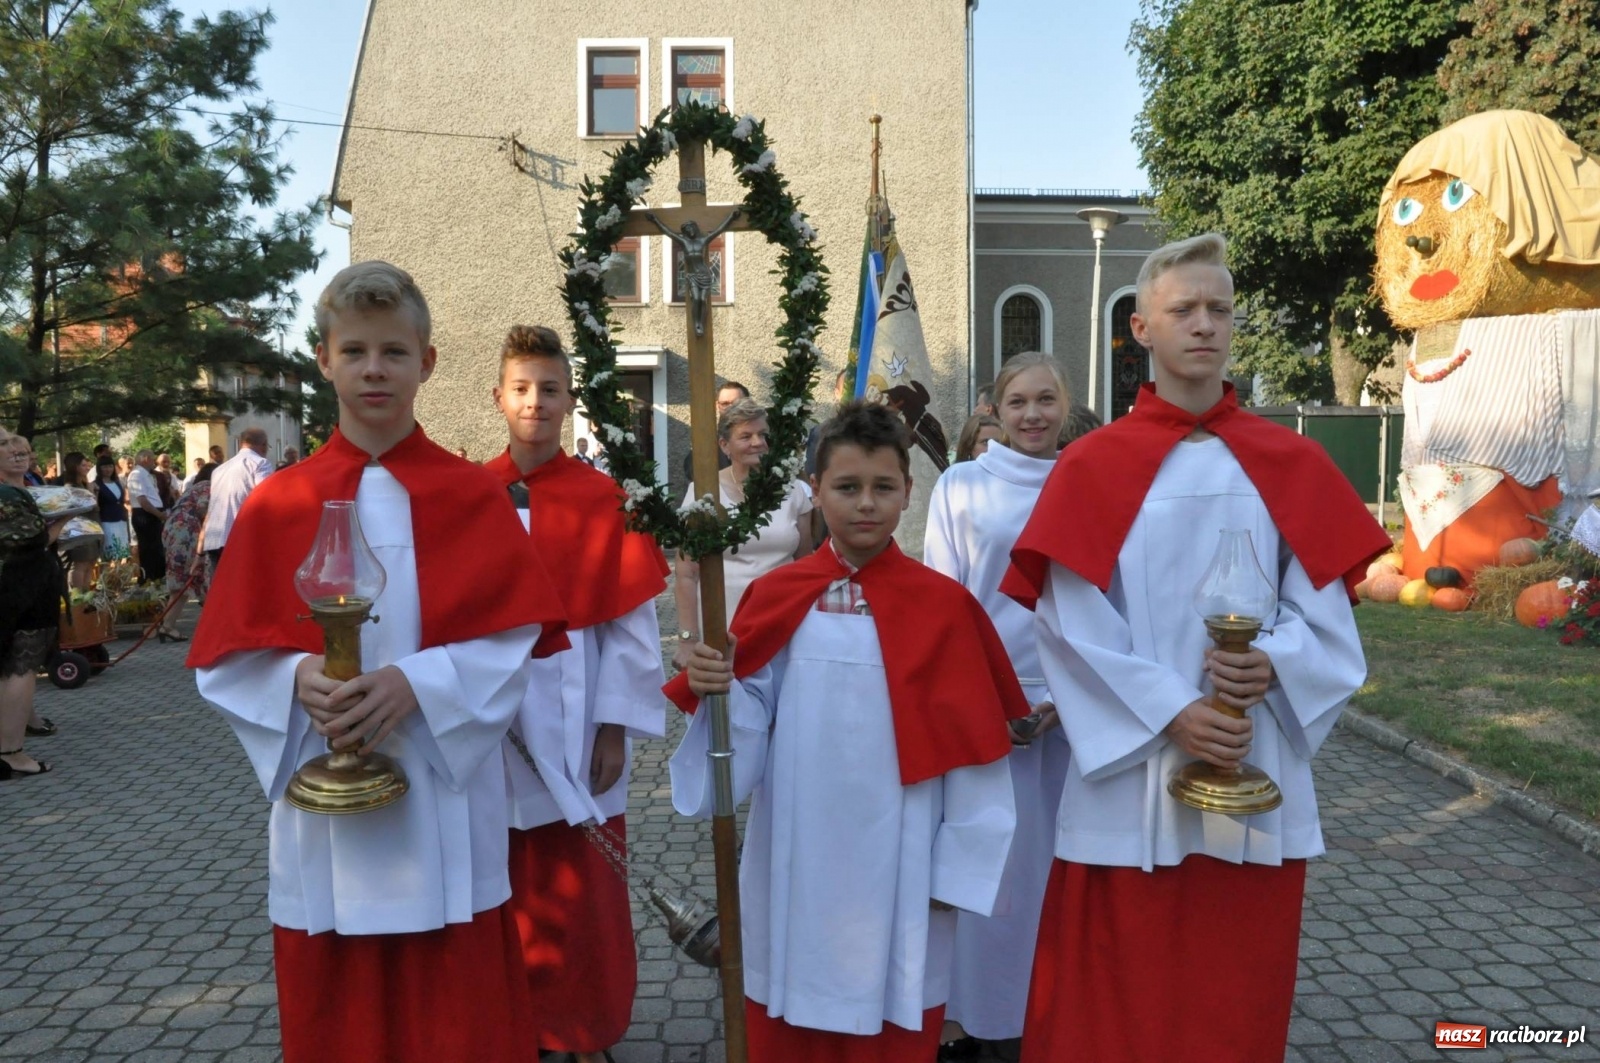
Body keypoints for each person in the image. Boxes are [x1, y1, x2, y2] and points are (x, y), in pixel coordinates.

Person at [1001, 234, 1390, 1063]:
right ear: (1140, 327)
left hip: (1255, 750)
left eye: (1219, 308)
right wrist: (1175, 709)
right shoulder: (1094, 464)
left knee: (1232, 993)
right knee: (1116, 994)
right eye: (1184, 309)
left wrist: (1275, 661)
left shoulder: (1288, 460)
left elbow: (1324, 613)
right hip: (1134, 771)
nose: (1203, 325)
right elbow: (1069, 620)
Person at [187, 261, 568, 1063]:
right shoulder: (279, 503)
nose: (373, 369)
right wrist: (294, 679)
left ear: (425, 362)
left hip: (441, 793)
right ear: (323, 358)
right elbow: (223, 658)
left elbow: (513, 642)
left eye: (393, 352)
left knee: (457, 1006)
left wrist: (413, 685)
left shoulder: (472, 496)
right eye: (353, 350)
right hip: (319, 802)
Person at [667, 401, 1027, 1062]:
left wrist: (957, 872)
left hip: (905, 859)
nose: (866, 504)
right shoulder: (780, 595)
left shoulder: (944, 609)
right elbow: (750, 719)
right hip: (796, 853)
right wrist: (719, 686)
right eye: (847, 486)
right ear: (815, 490)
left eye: (883, 487)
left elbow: (976, 759)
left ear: (908, 492)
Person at [485, 324, 669, 1063]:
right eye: (522, 388)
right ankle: (517, 1028)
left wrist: (615, 727)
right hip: (493, 723)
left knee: (585, 886)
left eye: (550, 389)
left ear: (569, 399)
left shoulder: (601, 499)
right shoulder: (471, 496)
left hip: (581, 714)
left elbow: (628, 626)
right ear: (499, 396)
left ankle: (585, 1030)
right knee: (508, 887)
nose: (536, 402)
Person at [926, 352, 1071, 1058]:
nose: (1033, 415)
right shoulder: (961, 484)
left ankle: (1046, 1014)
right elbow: (944, 596)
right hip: (985, 702)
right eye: (1019, 402)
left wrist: (1065, 700)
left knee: (1050, 870)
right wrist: (977, 695)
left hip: (1072, 706)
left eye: (1046, 400)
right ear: (995, 408)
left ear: (1065, 405)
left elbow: (1101, 597)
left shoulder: (1086, 480)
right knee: (987, 867)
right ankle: (970, 1018)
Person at [673, 398, 813, 671]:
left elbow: (806, 564)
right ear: (725, 445)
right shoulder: (703, 492)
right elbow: (687, 571)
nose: (757, 442)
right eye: (746, 436)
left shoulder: (793, 490)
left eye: (762, 434)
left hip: (782, 625)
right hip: (722, 628)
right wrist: (687, 640)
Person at [0, 427, 67, 779]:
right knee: (20, 669)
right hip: (20, 589)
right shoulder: (7, 496)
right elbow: (36, 541)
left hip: (17, 586)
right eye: (3, 444)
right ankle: (11, 753)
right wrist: (70, 517)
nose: (16, 448)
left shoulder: (16, 490)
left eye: (16, 441)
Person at [202, 427, 273, 578]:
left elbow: (212, 508)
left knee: (221, 591)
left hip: (214, 537)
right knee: (243, 590)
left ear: (241, 444)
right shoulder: (260, 463)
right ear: (264, 445)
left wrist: (199, 550)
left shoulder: (219, 470)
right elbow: (265, 500)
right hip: (240, 537)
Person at [157, 461, 216, 639]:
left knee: (182, 581)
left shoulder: (193, 488)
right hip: (187, 534)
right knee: (195, 576)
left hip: (173, 530)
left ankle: (167, 625)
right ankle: (219, 624)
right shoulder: (207, 486)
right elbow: (203, 508)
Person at [679, 379, 750, 484]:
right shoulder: (708, 441)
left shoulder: (763, 438)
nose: (730, 408)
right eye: (725, 403)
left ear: (748, 403)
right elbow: (692, 471)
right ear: (717, 405)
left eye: (736, 403)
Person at [127, 449, 167, 583]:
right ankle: (148, 579)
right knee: (149, 550)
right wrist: (159, 514)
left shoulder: (146, 475)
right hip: (145, 515)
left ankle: (157, 578)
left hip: (152, 514)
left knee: (156, 549)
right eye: (152, 458)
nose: (154, 462)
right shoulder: (137, 474)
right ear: (145, 459)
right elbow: (143, 500)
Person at [93, 454, 130, 560]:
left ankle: (118, 576)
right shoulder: (96, 484)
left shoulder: (118, 482)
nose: (108, 469)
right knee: (109, 554)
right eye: (104, 467)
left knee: (121, 554)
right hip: (106, 522)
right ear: (99, 469)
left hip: (121, 521)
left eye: (110, 466)